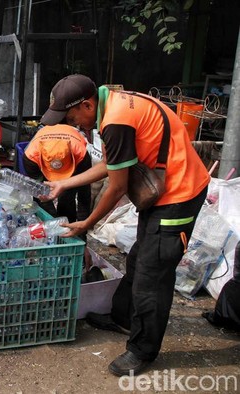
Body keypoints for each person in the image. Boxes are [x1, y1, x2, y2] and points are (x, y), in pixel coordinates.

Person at [40, 74, 210, 377]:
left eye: (71, 116)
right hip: (160, 192)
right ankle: (124, 318)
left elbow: (116, 186)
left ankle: (142, 350)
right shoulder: (112, 106)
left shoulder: (116, 121)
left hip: (178, 195)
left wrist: (88, 224)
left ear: (87, 105)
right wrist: (64, 184)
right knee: (139, 259)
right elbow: (110, 164)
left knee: (152, 276)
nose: (73, 123)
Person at [22, 124, 92, 225]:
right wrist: (52, 221)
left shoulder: (81, 155)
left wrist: (83, 224)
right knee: (41, 194)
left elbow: (84, 193)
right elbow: (39, 190)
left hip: (75, 161)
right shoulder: (31, 157)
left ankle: (69, 225)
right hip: (38, 160)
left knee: (67, 196)